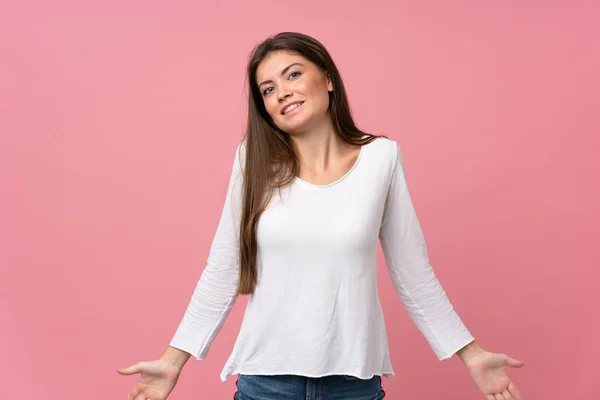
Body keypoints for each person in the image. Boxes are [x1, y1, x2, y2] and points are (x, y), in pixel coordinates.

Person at [118, 31, 524, 400]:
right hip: (265, 383)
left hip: (354, 385)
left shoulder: (380, 158)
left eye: (293, 75)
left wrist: (471, 354)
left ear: (327, 78)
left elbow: (413, 272)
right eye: (268, 89)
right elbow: (223, 268)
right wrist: (172, 362)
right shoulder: (253, 161)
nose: (282, 92)